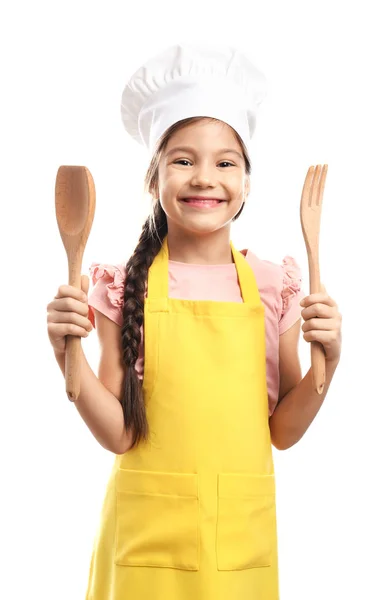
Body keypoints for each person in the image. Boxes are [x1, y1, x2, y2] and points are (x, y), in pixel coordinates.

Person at [47, 43, 342, 600]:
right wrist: (67, 353)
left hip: (239, 543)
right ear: (154, 178)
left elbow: (284, 431)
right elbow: (119, 433)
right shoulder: (122, 285)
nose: (204, 177)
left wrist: (331, 357)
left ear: (247, 184)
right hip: (148, 546)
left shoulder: (273, 284)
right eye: (183, 159)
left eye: (225, 162)